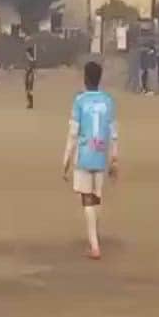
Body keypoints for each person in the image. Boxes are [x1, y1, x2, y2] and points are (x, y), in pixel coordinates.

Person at [61, 61, 119, 261]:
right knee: (96, 197)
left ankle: (94, 245)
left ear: (85, 78)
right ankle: (95, 234)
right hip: (101, 154)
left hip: (84, 155)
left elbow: (73, 133)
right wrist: (114, 158)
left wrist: (66, 160)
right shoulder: (108, 101)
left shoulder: (80, 101)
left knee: (86, 199)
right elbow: (113, 132)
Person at [24, 43, 37, 109]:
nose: (26, 55)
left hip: (30, 76)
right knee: (27, 90)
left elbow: (33, 69)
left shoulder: (32, 60)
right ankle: (29, 103)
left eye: (27, 53)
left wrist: (30, 72)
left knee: (29, 90)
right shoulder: (29, 60)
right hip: (28, 76)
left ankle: (30, 104)